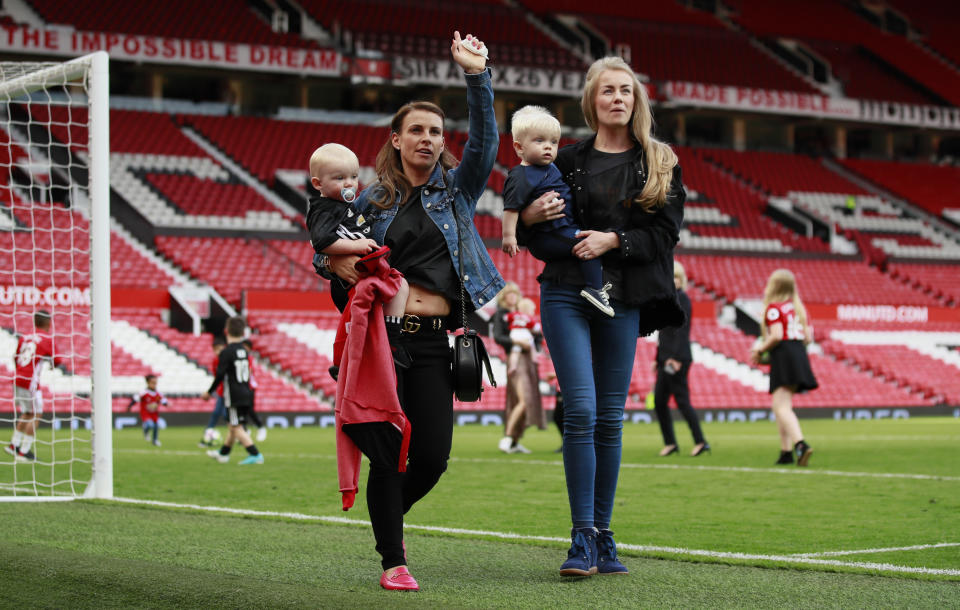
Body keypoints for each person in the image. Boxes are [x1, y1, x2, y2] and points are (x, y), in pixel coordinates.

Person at [319, 31, 502, 592]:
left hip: (434, 342)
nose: (427, 138)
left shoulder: (458, 192)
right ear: (396, 140)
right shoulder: (372, 202)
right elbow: (330, 250)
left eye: (435, 132)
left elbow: (487, 145)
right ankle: (393, 558)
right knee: (388, 453)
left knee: (431, 457)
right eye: (416, 130)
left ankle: (388, 516)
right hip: (382, 339)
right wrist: (337, 267)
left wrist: (477, 75)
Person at [516, 56, 687, 577]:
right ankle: (582, 536)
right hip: (566, 291)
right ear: (592, 101)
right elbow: (530, 227)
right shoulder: (563, 159)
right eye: (608, 90)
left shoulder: (660, 161)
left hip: (625, 297)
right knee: (583, 411)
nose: (618, 97)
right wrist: (525, 217)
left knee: (610, 418)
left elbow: (665, 234)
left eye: (626, 91)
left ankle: (604, 535)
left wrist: (615, 239)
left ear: (636, 101)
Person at [501, 105, 613, 317]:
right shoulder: (521, 175)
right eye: (539, 141)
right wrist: (509, 236)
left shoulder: (552, 167)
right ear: (519, 147)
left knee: (587, 241)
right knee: (588, 244)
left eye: (553, 142)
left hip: (561, 229)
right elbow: (510, 208)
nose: (548, 147)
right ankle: (594, 289)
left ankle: (594, 286)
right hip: (549, 235)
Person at [307, 142, 410, 339]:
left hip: (367, 271)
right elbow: (321, 244)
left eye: (354, 177)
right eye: (340, 178)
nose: (349, 183)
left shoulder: (344, 205)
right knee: (362, 321)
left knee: (400, 286)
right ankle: (381, 340)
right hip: (349, 281)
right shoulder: (325, 209)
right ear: (318, 183)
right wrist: (342, 256)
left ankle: (391, 334)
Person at [750, 269, 817, 466]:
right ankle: (786, 452)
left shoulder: (774, 308)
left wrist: (760, 350)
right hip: (798, 354)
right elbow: (808, 338)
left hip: (784, 355)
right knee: (782, 406)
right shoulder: (799, 309)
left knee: (781, 406)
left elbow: (777, 335)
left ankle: (800, 444)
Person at [652, 261, 709, 457]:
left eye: (677, 277)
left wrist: (673, 359)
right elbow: (663, 333)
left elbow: (681, 331)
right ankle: (672, 443)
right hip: (666, 360)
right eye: (671, 276)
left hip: (676, 360)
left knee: (682, 400)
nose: (674, 280)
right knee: (660, 401)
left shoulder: (682, 299)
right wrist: (658, 358)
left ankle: (701, 442)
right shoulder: (667, 299)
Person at [202, 316, 264, 465]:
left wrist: (209, 392)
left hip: (233, 395)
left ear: (226, 331)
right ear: (243, 332)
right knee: (233, 425)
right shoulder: (244, 350)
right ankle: (224, 453)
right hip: (246, 391)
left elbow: (220, 374)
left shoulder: (227, 352)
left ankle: (255, 454)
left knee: (235, 426)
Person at [6, 310, 65, 462]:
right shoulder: (46, 339)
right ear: (48, 323)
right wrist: (51, 363)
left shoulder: (24, 337)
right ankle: (24, 451)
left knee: (27, 413)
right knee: (37, 413)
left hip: (18, 377)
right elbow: (58, 360)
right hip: (29, 381)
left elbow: (15, 357)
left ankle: (14, 444)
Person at [498, 297, 546, 454]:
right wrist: (519, 343)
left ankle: (514, 441)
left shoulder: (520, 319)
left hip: (526, 362)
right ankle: (508, 437)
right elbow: (499, 336)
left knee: (525, 402)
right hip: (518, 362)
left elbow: (538, 337)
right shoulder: (506, 316)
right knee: (523, 401)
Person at [199, 335, 227, 448]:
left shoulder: (227, 359)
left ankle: (242, 434)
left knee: (227, 416)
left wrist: (209, 392)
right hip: (222, 392)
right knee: (216, 414)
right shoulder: (215, 361)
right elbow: (218, 378)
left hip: (230, 392)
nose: (218, 351)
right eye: (215, 349)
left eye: (220, 348)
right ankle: (206, 436)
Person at [127, 374, 167, 447]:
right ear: (148, 383)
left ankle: (155, 440)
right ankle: (146, 432)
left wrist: (167, 404)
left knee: (156, 426)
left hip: (154, 414)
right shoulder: (144, 393)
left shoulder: (158, 394)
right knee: (149, 424)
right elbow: (135, 399)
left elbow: (163, 401)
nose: (154, 384)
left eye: (155, 382)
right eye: (153, 382)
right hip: (145, 413)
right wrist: (130, 406)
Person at [241, 338, 267, 443]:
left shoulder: (248, 358)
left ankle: (260, 427)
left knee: (249, 409)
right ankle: (245, 430)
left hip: (249, 387)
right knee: (241, 409)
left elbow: (249, 371)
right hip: (241, 387)